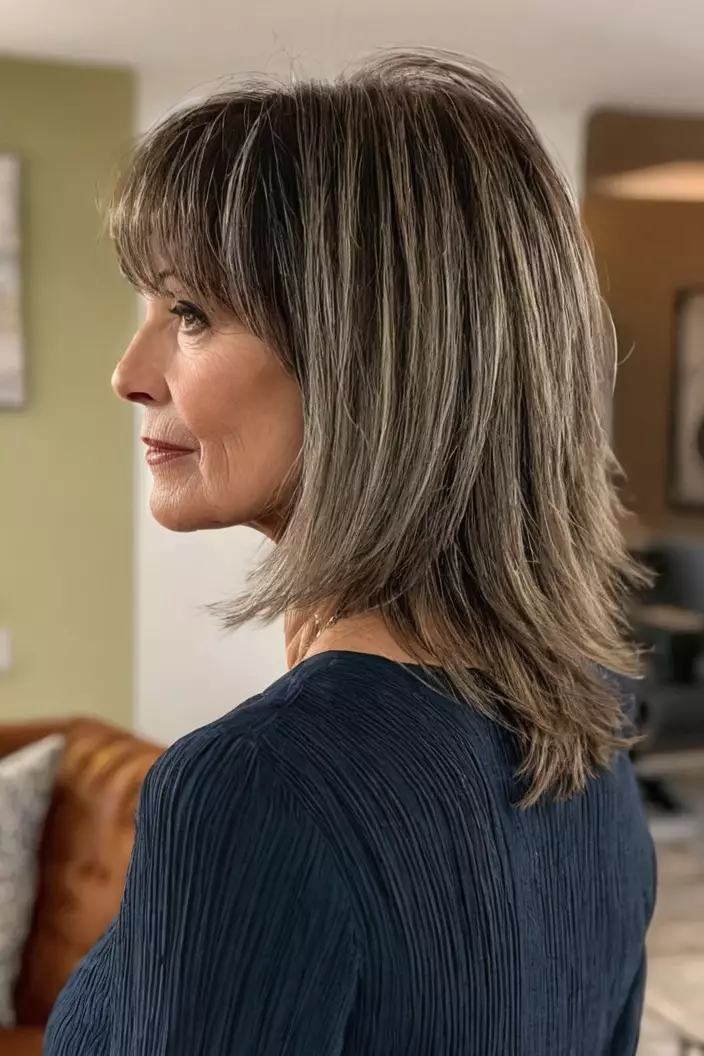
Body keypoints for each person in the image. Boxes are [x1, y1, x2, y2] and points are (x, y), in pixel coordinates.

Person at [45, 49, 656, 1056]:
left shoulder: (251, 789)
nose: (128, 373)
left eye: (190, 314)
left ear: (363, 360)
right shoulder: (591, 721)